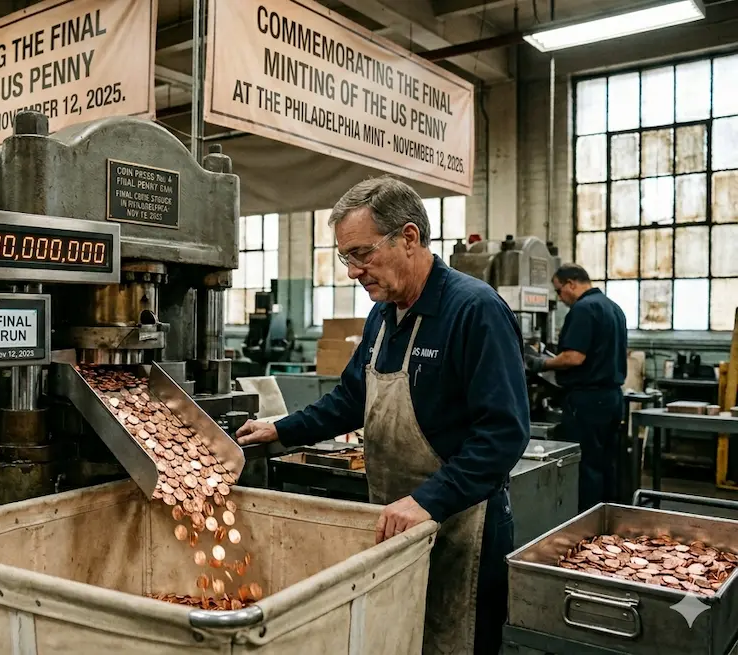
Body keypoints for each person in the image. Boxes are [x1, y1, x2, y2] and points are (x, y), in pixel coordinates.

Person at [236, 176, 529, 655]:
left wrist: (428, 501)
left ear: (408, 238)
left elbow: (502, 435)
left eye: (361, 254)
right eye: (345, 257)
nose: (353, 271)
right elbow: (351, 400)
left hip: (461, 527)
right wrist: (280, 429)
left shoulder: (474, 311)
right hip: (394, 526)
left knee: (452, 641)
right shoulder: (384, 313)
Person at [526, 263, 627, 511]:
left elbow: (574, 357)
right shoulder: (614, 308)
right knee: (606, 464)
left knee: (586, 467)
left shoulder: (584, 309)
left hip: (588, 402)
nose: (560, 299)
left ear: (571, 283)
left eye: (559, 292)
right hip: (612, 398)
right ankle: (607, 520)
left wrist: (540, 363)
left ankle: (587, 525)